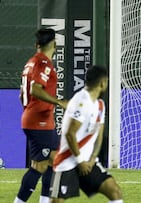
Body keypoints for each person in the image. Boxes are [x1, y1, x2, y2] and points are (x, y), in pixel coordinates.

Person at [49, 65, 123, 203]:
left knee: (114, 191)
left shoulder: (100, 105)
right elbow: (70, 134)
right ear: (103, 83)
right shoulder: (81, 102)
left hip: (88, 161)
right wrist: (79, 161)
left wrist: (92, 158)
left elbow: (99, 135)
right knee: (56, 202)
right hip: (68, 160)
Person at [15, 28, 67, 203]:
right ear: (55, 43)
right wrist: (59, 102)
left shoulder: (31, 62)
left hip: (36, 119)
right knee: (40, 166)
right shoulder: (43, 63)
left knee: (53, 162)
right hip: (40, 122)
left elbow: (22, 94)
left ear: (36, 44)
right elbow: (35, 89)